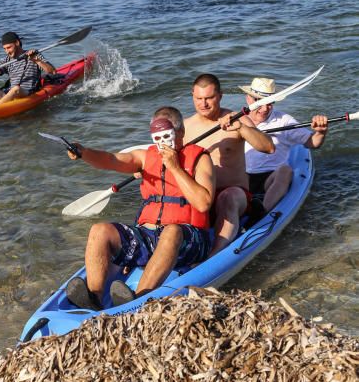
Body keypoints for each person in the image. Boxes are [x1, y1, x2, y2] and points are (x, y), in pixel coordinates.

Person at [65, 106, 215, 310]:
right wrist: (84, 152)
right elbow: (111, 160)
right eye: (157, 136)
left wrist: (175, 167)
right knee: (99, 230)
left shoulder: (201, 159)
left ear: (180, 133)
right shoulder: (145, 157)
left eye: (167, 135)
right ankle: (94, 298)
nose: (162, 142)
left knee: (171, 232)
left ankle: (138, 299)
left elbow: (203, 202)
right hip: (148, 235)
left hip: (190, 240)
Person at [184, 73, 275, 256]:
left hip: (235, 195)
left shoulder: (237, 119)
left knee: (228, 197)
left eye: (209, 98)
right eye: (199, 98)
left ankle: (214, 256)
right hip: (202, 197)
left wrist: (241, 128)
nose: (204, 104)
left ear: (220, 95)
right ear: (192, 95)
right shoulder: (185, 127)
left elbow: (268, 147)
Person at [240, 77, 328, 211]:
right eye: (259, 101)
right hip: (242, 178)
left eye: (269, 103)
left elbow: (312, 142)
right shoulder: (235, 120)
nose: (265, 109)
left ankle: (263, 212)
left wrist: (320, 132)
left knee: (285, 170)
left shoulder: (284, 121)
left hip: (271, 178)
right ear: (248, 99)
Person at [0, 31, 56, 106]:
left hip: (26, 92)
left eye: (9, 47)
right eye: (4, 49)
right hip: (9, 93)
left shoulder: (33, 55)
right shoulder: (6, 60)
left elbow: (52, 71)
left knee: (16, 89)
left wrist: (37, 61)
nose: (7, 51)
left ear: (17, 43)